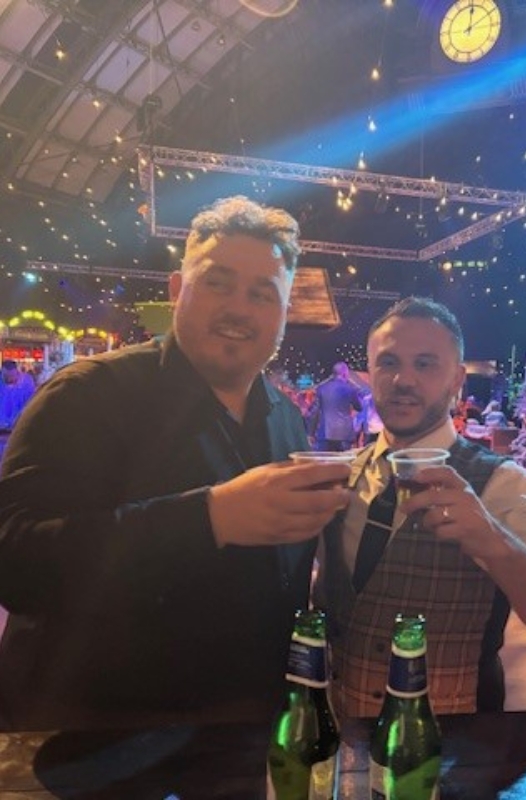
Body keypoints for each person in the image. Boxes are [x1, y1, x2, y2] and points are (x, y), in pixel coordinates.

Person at [0, 196, 351, 730]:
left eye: (263, 294)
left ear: (283, 314)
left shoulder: (284, 418)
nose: (239, 307)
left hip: (238, 736)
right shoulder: (87, 395)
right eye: (218, 283)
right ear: (176, 289)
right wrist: (210, 517)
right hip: (91, 737)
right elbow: (16, 561)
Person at [314, 297, 526, 718]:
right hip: (340, 740)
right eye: (388, 363)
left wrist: (492, 541)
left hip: (455, 751)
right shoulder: (342, 478)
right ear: (370, 375)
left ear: (457, 379)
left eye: (425, 364)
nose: (404, 379)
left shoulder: (502, 483)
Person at [309, 361, 364, 451]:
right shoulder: (350, 389)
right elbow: (359, 407)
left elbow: (314, 412)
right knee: (344, 463)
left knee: (325, 463)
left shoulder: (322, 388)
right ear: (344, 374)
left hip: (325, 433)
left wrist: (311, 433)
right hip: (345, 434)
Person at [0, 359, 36, 430]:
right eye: (5, 376)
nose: (8, 379)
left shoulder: (26, 382)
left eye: (11, 376)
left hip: (19, 426)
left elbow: (30, 403)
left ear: (17, 372)